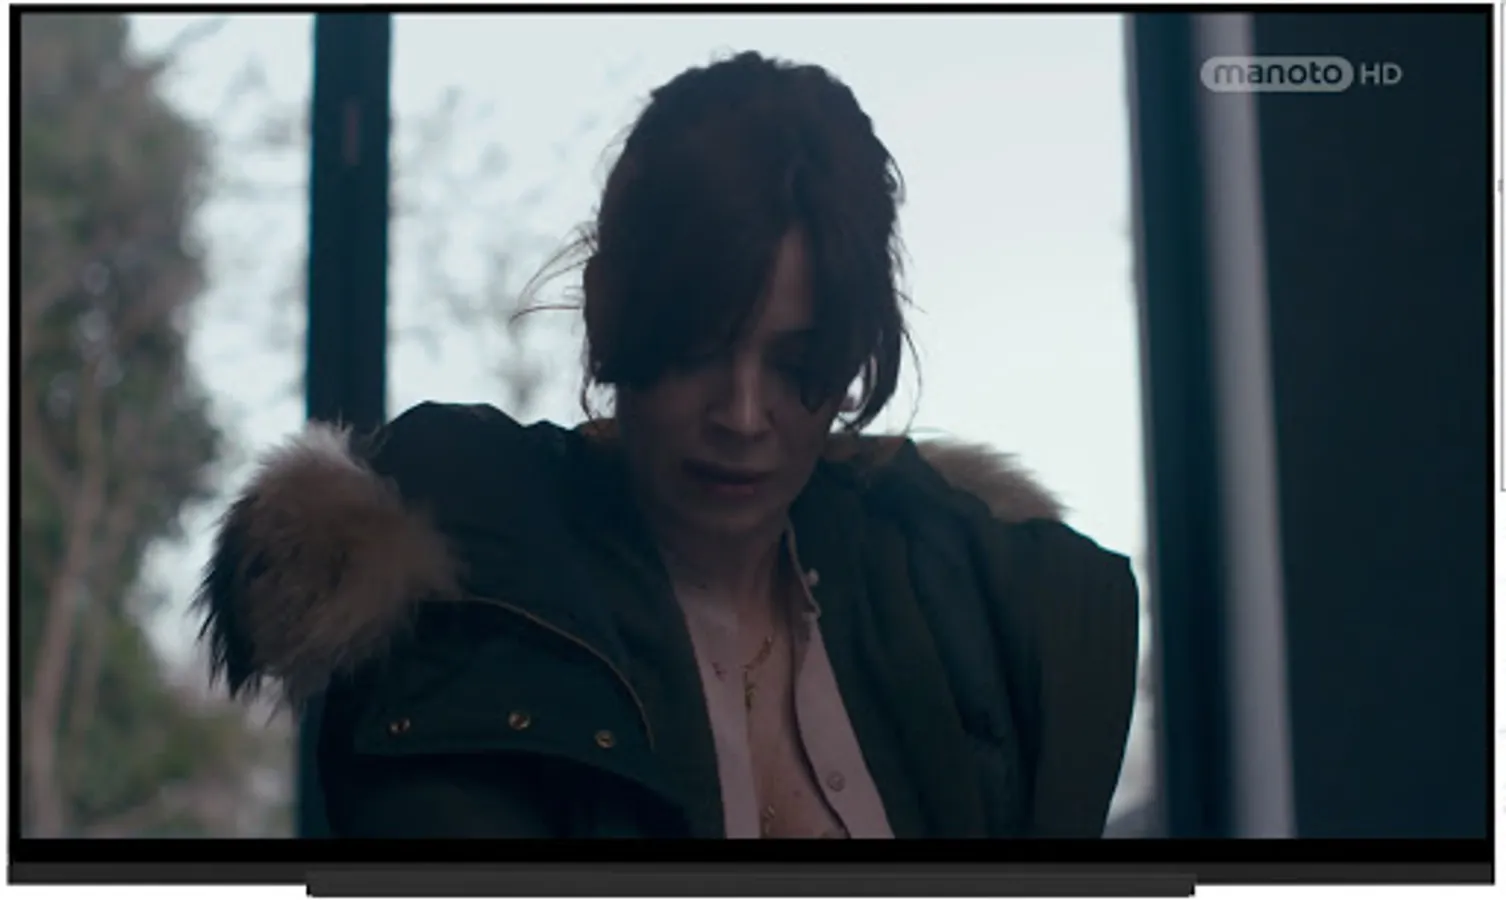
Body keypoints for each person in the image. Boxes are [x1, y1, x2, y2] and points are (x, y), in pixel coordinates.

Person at [196, 51, 1139, 839]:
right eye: (697, 350)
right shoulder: (464, 600)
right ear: (612, 318)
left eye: (796, 363)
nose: (741, 414)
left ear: (856, 355)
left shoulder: (960, 604)